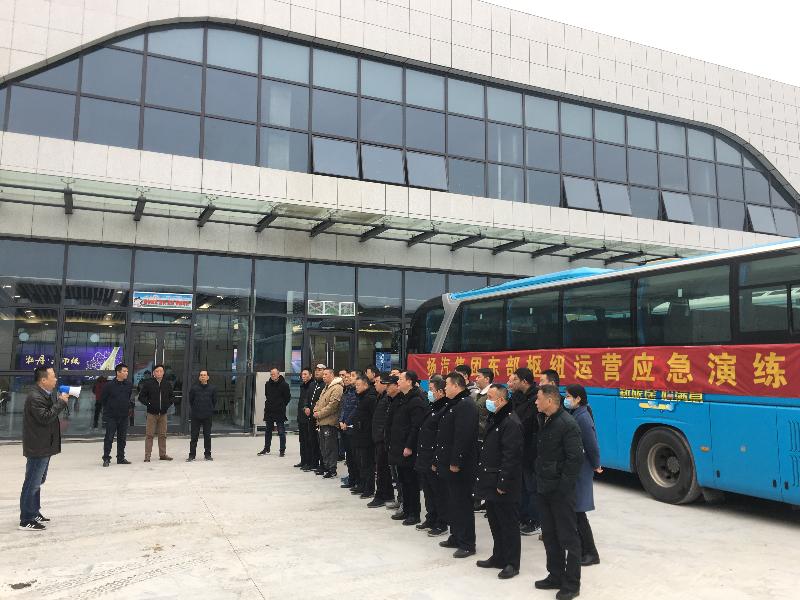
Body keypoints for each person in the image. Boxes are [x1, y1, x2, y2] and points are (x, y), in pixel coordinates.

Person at [533, 384, 584, 600]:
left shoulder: (567, 424)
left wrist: (563, 488)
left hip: (560, 492)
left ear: (550, 401)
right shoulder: (544, 419)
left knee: (568, 537)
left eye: (538, 398)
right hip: (544, 487)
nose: (536, 402)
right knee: (550, 534)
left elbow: (575, 459)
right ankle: (555, 575)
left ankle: (572, 584)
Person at [475, 384, 524, 580]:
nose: (488, 401)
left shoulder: (511, 422)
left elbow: (511, 457)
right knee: (495, 521)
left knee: (508, 524)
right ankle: (498, 556)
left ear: (501, 400)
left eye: (491, 397)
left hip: (504, 483)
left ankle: (512, 562)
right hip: (490, 478)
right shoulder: (496, 417)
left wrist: (503, 483)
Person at [19, 367, 69, 531]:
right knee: (32, 483)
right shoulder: (35, 397)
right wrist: (61, 403)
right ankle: (26, 519)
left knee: (37, 482)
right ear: (43, 380)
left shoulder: (44, 394)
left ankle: (34, 512)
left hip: (44, 445)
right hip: (37, 446)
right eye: (53, 377)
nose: (56, 379)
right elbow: (45, 417)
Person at [435, 371, 479, 559]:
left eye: (447, 385)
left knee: (462, 503)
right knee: (453, 502)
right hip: (447, 461)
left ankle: (467, 543)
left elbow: (463, 436)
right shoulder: (454, 403)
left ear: (456, 385)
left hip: (460, 466)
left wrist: (456, 461)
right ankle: (455, 535)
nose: (444, 388)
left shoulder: (466, 405)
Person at [565, 384, 602, 567]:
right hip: (576, 468)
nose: (566, 399)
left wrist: (596, 464)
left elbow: (592, 444)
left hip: (581, 469)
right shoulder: (577, 413)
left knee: (578, 511)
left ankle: (591, 553)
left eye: (568, 396)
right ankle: (582, 550)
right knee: (575, 511)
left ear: (578, 398)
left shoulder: (583, 417)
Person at [387, 370, 427, 526]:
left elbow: (416, 427)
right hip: (398, 446)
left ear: (409, 382)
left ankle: (414, 513)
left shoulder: (416, 400)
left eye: (401, 379)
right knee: (403, 480)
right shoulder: (402, 398)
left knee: (411, 481)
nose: (398, 382)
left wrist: (409, 446)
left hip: (408, 449)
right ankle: (406, 509)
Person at [415, 375, 449, 536]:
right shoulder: (432, 407)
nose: (429, 393)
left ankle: (442, 523)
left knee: (438, 492)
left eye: (431, 390)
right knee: (428, 491)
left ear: (441, 392)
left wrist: (436, 459)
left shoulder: (444, 410)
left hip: (434, 457)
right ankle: (431, 517)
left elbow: (442, 438)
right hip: (424, 455)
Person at [508, 367, 540, 536]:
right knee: (521, 486)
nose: (511, 382)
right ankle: (523, 516)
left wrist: (512, 419)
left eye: (515, 379)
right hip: (519, 448)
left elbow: (524, 422)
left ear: (524, 381)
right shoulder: (518, 396)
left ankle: (535, 520)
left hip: (531, 450)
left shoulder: (535, 398)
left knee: (531, 487)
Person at [138, 364, 175, 462]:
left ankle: (163, 455)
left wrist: (167, 405)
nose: (159, 373)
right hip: (151, 414)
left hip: (163, 414)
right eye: (157, 371)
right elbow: (141, 397)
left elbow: (172, 397)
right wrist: (149, 404)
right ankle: (147, 456)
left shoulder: (167, 384)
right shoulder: (148, 383)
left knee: (162, 435)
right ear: (153, 373)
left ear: (163, 372)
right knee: (149, 435)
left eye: (161, 371)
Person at [100, 363, 133, 467]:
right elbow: (103, 399)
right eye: (124, 371)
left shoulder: (129, 385)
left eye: (127, 371)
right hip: (111, 416)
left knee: (122, 438)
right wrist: (110, 409)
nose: (126, 373)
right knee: (109, 438)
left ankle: (121, 458)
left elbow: (128, 397)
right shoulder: (109, 385)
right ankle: (106, 458)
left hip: (124, 416)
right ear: (118, 372)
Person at [368, 373, 394, 508]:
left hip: (383, 439)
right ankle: (387, 494)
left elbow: (386, 421)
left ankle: (382, 495)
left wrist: (382, 435)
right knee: (382, 469)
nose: (375, 384)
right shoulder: (381, 397)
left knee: (382, 469)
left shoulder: (387, 399)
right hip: (378, 437)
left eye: (378, 382)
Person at [351, 373, 378, 498]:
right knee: (360, 462)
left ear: (366, 385)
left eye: (358, 385)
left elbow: (373, 418)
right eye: (355, 385)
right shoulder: (361, 397)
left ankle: (369, 488)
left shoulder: (370, 398)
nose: (356, 387)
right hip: (359, 435)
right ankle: (362, 485)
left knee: (367, 464)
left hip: (366, 436)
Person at [314, 368, 343, 478]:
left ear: (332, 375)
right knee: (324, 446)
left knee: (330, 446)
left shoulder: (337, 387)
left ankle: (332, 469)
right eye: (323, 374)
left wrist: (319, 414)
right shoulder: (326, 387)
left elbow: (332, 406)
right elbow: (319, 401)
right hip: (322, 422)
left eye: (326, 374)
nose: (323, 376)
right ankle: (326, 467)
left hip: (330, 422)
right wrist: (315, 410)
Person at [259, 367, 291, 457]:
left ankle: (282, 450)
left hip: (279, 411)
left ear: (278, 374)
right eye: (271, 374)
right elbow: (267, 395)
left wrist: (281, 404)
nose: (272, 375)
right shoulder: (267, 384)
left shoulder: (284, 385)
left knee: (281, 431)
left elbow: (287, 397)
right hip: (269, 410)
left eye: (274, 374)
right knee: (268, 431)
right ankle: (266, 448)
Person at [187, 370, 217, 462]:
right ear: (199, 377)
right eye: (201, 375)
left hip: (207, 416)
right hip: (196, 416)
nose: (203, 376)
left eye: (204, 375)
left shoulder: (213, 388)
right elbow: (191, 400)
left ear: (208, 377)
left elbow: (214, 401)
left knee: (207, 436)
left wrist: (209, 409)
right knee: (194, 436)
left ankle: (207, 455)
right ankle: (192, 455)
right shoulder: (194, 388)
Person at [339, 370, 360, 489]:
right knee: (349, 456)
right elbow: (343, 408)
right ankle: (351, 478)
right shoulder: (347, 391)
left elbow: (355, 409)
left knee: (354, 456)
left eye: (352, 376)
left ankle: (356, 480)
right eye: (347, 377)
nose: (348, 378)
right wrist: (341, 421)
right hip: (344, 426)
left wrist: (346, 422)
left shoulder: (357, 392)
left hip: (351, 427)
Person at [295, 367, 314, 469]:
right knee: (302, 440)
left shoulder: (312, 385)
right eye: (302, 374)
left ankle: (309, 462)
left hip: (308, 417)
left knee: (308, 441)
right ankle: (303, 461)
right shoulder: (303, 385)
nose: (303, 376)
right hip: (301, 417)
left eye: (305, 374)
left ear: (310, 375)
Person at [308, 364, 326, 473]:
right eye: (316, 370)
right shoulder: (312, 385)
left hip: (320, 416)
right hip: (311, 416)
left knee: (321, 443)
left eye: (320, 370)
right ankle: (314, 462)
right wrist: (306, 407)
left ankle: (322, 464)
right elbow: (307, 399)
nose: (317, 372)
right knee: (312, 441)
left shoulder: (325, 385)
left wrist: (316, 411)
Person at [474, 368, 494, 441]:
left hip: (485, 436)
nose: (476, 379)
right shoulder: (477, 393)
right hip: (475, 435)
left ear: (487, 379)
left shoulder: (493, 394)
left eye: (478, 377)